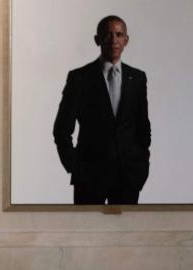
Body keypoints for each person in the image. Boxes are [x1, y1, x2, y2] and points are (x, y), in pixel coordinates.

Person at [53, 15, 151, 205]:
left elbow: (143, 127)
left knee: (125, 234)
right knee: (87, 234)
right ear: (97, 39)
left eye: (119, 34)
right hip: (89, 178)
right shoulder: (79, 78)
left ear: (126, 40)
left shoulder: (138, 78)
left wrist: (141, 166)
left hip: (127, 177)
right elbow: (61, 129)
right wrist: (75, 167)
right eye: (107, 35)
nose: (113, 40)